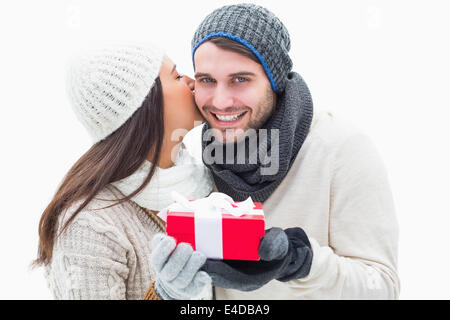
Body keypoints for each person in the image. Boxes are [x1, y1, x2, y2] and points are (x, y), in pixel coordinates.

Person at [186, 3, 400, 299]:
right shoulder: (196, 157)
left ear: (274, 81)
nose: (220, 102)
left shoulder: (341, 149)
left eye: (240, 79)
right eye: (207, 80)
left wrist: (302, 263)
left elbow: (382, 288)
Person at [32, 43, 215, 300]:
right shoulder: (90, 224)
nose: (191, 81)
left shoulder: (204, 183)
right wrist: (164, 294)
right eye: (176, 76)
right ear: (147, 106)